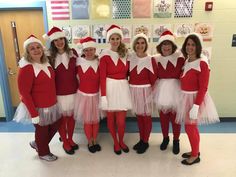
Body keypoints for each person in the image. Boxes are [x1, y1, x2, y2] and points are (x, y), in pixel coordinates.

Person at [14, 35, 61, 161]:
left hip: (52, 103)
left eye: (38, 47)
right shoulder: (26, 68)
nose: (36, 50)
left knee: (56, 124)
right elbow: (24, 93)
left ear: (42, 48)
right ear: (27, 52)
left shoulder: (46, 63)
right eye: (32, 48)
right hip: (38, 106)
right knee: (42, 131)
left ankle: (38, 143)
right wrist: (34, 113)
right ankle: (43, 153)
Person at [176, 33, 219, 165]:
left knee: (190, 128)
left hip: (196, 99)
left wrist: (196, 106)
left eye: (193, 45)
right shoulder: (187, 60)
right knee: (191, 128)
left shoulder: (202, 62)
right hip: (186, 97)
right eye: (188, 44)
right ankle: (195, 150)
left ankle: (195, 155)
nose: (190, 47)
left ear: (198, 46)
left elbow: (203, 87)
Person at [44, 27, 79, 155]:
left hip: (73, 91)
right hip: (58, 93)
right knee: (62, 119)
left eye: (61, 39)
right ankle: (65, 141)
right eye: (56, 40)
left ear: (65, 39)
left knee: (71, 118)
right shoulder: (48, 56)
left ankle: (70, 138)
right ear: (52, 43)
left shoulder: (73, 52)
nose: (59, 42)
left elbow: (78, 70)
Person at [99, 24, 132, 155]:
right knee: (111, 120)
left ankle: (122, 140)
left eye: (117, 38)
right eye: (112, 38)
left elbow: (129, 72)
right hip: (109, 88)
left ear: (120, 39)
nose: (115, 41)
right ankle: (115, 142)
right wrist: (103, 96)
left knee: (121, 121)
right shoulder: (104, 55)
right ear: (109, 40)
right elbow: (102, 77)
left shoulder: (125, 54)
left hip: (122, 88)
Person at [152, 30, 185, 154]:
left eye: (169, 44)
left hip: (176, 91)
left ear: (173, 46)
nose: (166, 47)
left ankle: (176, 140)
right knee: (163, 118)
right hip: (162, 90)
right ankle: (165, 138)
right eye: (164, 44)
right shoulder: (155, 59)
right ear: (160, 46)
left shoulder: (180, 58)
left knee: (176, 119)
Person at [128, 33, 157, 154]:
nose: (140, 45)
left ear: (146, 45)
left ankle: (145, 141)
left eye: (143, 43)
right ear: (134, 45)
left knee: (146, 117)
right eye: (138, 43)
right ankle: (141, 139)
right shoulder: (130, 58)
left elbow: (154, 79)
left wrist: (153, 95)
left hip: (146, 91)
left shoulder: (150, 59)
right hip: (134, 90)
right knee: (139, 117)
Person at [74, 37, 101, 153]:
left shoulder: (99, 62)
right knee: (87, 121)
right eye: (86, 50)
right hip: (83, 96)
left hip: (96, 96)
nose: (89, 52)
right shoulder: (78, 62)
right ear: (83, 51)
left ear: (95, 50)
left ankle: (95, 139)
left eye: (91, 49)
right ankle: (89, 141)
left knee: (95, 120)